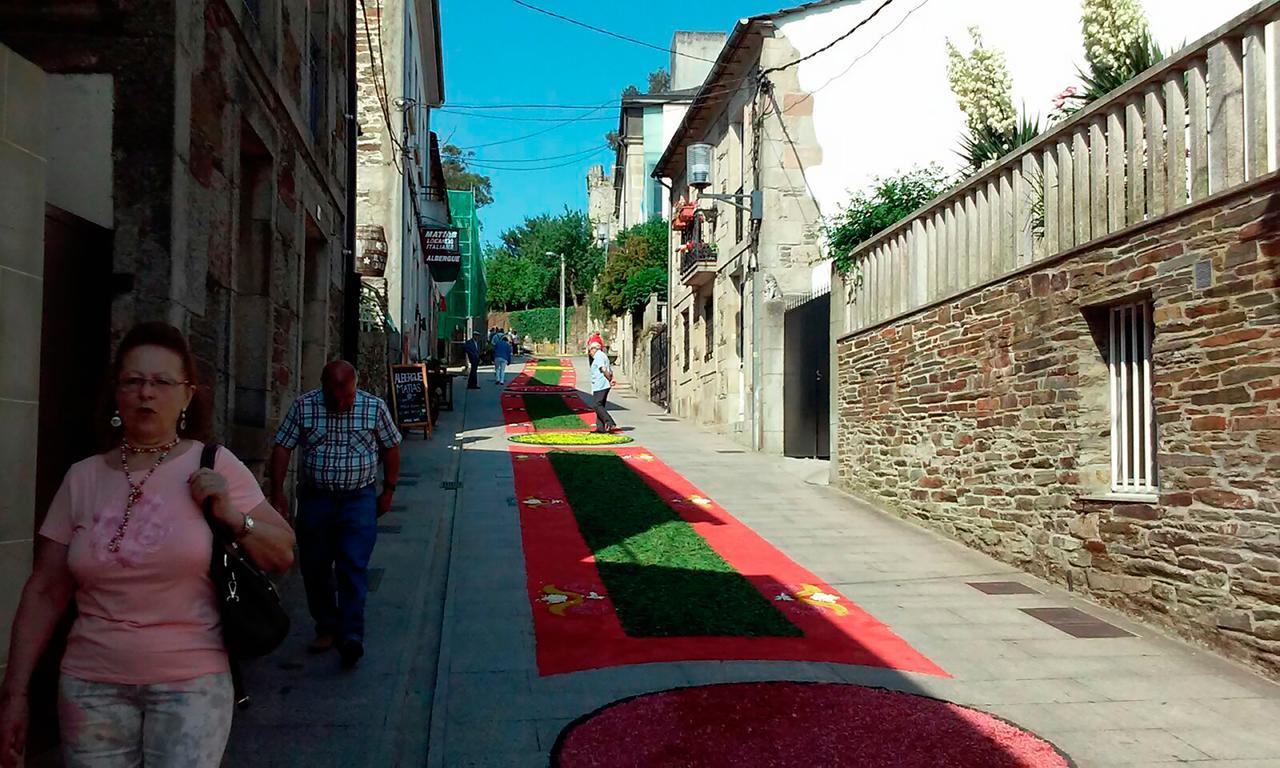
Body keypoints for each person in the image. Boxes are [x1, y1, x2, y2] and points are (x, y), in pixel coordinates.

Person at [0, 321, 295, 768]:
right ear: (116, 393)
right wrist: (15, 693)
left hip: (191, 685)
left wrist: (235, 517)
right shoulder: (82, 479)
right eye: (133, 381)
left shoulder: (214, 464)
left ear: (187, 395)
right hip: (89, 687)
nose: (146, 393)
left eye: (161, 382)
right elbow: (45, 589)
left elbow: (282, 552)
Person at [269, 361, 401, 670]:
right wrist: (277, 493)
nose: (341, 403)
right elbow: (282, 447)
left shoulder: (374, 407)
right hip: (317, 499)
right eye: (334, 397)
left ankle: (351, 633)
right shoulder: (304, 407)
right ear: (323, 387)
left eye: (347, 396)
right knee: (315, 565)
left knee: (353, 564)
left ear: (356, 386)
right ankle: (327, 625)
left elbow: (391, 447)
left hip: (359, 498)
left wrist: (389, 490)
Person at [588, 340, 618, 434]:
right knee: (600, 405)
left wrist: (609, 378)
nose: (590, 353)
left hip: (600, 384)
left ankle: (609, 422)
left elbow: (603, 369)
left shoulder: (599, 356)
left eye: (590, 351)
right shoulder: (603, 356)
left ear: (594, 349)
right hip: (602, 384)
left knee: (597, 404)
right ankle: (600, 428)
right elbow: (609, 368)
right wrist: (611, 378)